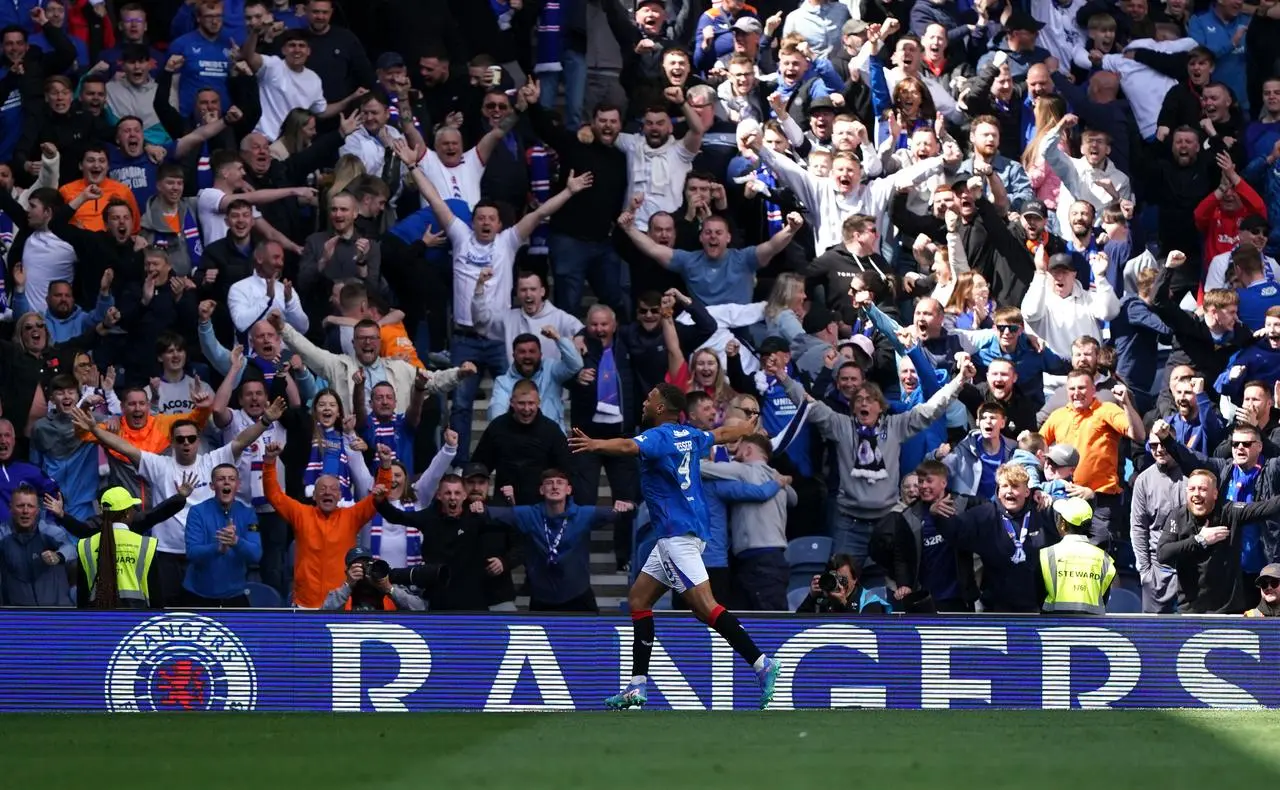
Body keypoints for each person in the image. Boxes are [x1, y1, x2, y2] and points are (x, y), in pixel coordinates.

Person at [569, 383, 782, 710]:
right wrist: (748, 428)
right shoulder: (690, 434)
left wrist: (595, 444)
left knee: (706, 607)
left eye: (650, 397)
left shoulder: (658, 437)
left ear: (661, 407)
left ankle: (762, 663)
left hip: (674, 534)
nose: (645, 400)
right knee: (639, 599)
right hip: (691, 529)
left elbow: (627, 446)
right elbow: (723, 433)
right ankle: (636, 687)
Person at [262, 439, 392, 609]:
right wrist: (270, 461)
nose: (327, 492)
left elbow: (379, 496)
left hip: (341, 604)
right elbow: (273, 495)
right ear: (314, 495)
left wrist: (386, 466)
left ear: (340, 496)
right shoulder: (300, 514)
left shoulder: (352, 516)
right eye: (322, 489)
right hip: (305, 604)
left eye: (333, 489)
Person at [485, 469, 635, 612]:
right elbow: (496, 514)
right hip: (541, 600)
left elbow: (620, 512)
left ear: (568, 490)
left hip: (578, 597)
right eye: (549, 483)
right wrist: (479, 508)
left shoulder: (583, 514)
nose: (555, 486)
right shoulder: (530, 514)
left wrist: (629, 505)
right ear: (541, 490)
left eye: (560, 482)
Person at [1157, 466, 1280, 614]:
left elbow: (1269, 507)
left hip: (1229, 610)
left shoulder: (1229, 511)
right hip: (1190, 610)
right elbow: (1162, 554)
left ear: (1215, 493)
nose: (1196, 494)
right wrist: (1199, 540)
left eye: (1202, 489)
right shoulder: (1177, 515)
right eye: (1192, 489)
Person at [182, 463, 262, 607]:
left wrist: (236, 541)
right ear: (212, 486)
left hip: (235, 596)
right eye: (221, 479)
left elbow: (256, 554)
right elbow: (192, 552)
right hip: (198, 596)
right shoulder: (197, 512)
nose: (226, 482)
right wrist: (218, 548)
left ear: (237, 485)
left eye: (231, 479)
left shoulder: (248, 514)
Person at [75, 487, 163, 608]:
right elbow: (155, 594)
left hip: (96, 618)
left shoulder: (85, 545)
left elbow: (82, 595)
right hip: (137, 617)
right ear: (127, 513)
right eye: (132, 509)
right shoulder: (146, 544)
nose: (134, 512)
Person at [1039, 498, 1116, 614]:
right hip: (1093, 629)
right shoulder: (1105, 560)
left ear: (1063, 524)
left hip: (1053, 629)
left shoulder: (1046, 555)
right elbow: (1103, 599)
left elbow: (1039, 596)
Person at [322, 546, 423, 611]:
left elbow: (420, 608)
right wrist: (348, 585)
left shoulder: (388, 587)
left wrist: (388, 589)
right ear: (347, 572)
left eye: (367, 564)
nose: (364, 569)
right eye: (358, 566)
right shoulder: (342, 594)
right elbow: (322, 613)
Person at [793, 553, 890, 613]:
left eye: (842, 579)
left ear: (855, 579)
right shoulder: (822, 598)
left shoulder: (870, 602)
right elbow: (797, 627)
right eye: (833, 578)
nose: (837, 583)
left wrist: (843, 605)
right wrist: (811, 597)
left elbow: (862, 636)